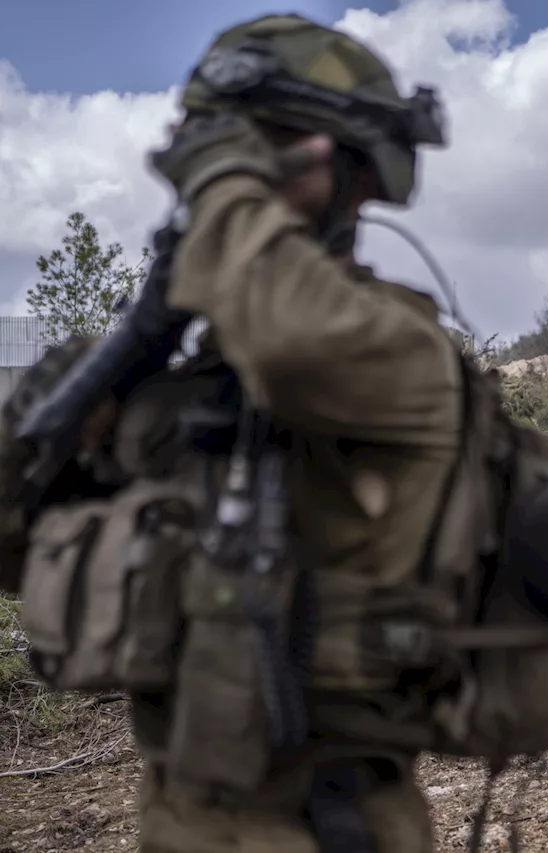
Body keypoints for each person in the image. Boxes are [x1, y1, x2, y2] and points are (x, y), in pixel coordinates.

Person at [8, 14, 461, 852]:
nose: (230, 171)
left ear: (355, 173)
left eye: (269, 144)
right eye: (222, 146)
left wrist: (220, 182)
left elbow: (292, 344)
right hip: (177, 820)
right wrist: (84, 392)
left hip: (343, 827)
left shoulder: (406, 351)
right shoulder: (171, 387)